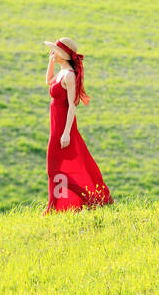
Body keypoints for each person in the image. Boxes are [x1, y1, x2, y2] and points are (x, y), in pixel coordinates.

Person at [44, 37, 112, 212]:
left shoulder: (69, 76)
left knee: (58, 165)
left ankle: (61, 205)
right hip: (56, 124)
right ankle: (57, 204)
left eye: (55, 52)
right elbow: (48, 81)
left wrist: (66, 133)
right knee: (54, 165)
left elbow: (72, 105)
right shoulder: (60, 73)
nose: (52, 53)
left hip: (63, 125)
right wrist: (50, 63)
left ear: (64, 55)